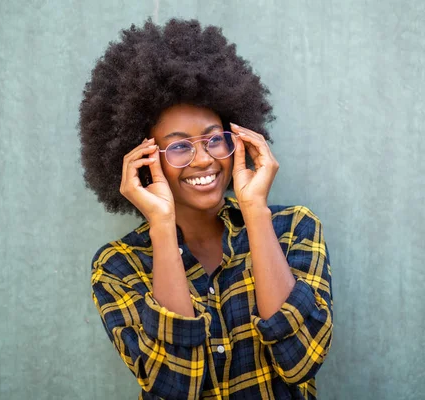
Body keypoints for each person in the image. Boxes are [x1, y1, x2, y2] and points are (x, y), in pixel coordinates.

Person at [79, 18, 333, 400]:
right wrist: (161, 226)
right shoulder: (118, 267)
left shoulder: (293, 229)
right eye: (179, 147)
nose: (204, 160)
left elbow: (299, 360)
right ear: (146, 160)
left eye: (215, 139)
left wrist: (255, 211)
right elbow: (175, 386)